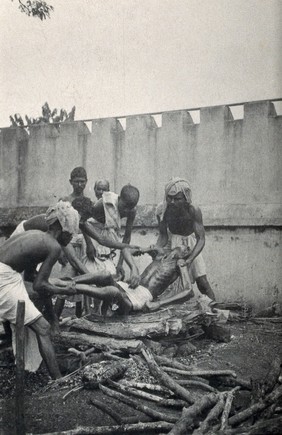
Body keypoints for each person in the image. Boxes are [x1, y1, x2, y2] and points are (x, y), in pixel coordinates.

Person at [0, 201, 81, 379]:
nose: (70, 240)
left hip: (7, 275)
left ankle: (36, 367)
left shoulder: (36, 234)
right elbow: (40, 285)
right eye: (70, 235)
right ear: (62, 230)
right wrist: (64, 291)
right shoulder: (53, 246)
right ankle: (58, 380)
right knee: (43, 328)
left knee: (34, 318)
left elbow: (32, 279)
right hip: (4, 278)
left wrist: (55, 286)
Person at [55, 245, 197, 315]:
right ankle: (69, 281)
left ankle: (70, 287)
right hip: (129, 287)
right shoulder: (160, 253)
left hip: (141, 297)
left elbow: (189, 291)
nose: (187, 247)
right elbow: (125, 250)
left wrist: (159, 303)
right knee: (105, 275)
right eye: (186, 246)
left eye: (188, 249)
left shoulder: (180, 263)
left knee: (114, 292)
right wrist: (135, 268)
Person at [154, 177, 215, 300]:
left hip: (191, 244)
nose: (172, 202)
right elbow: (163, 236)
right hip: (173, 244)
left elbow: (201, 239)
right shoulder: (162, 210)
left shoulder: (193, 210)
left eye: (177, 199)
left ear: (186, 198)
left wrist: (190, 259)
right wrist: (157, 250)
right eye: (169, 198)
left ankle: (216, 310)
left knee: (202, 282)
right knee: (167, 283)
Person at [83, 184, 140, 280]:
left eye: (131, 207)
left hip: (108, 236)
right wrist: (89, 244)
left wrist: (120, 264)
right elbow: (83, 221)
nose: (127, 210)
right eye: (125, 206)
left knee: (109, 271)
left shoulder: (132, 211)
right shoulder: (104, 203)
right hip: (91, 233)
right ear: (119, 198)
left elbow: (126, 238)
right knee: (90, 268)